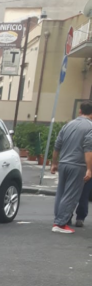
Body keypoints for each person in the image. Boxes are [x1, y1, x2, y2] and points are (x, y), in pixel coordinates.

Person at [50, 100, 92, 234]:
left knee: (61, 193)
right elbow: (88, 150)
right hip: (77, 165)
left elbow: (58, 145)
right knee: (71, 195)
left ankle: (58, 219)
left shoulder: (68, 125)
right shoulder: (90, 127)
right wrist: (89, 168)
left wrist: (54, 162)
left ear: (80, 111)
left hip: (63, 163)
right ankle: (60, 223)